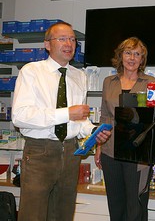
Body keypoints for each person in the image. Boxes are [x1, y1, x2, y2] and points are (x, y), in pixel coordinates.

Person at [12, 21, 111, 221]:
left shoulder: (79, 76)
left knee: (63, 214)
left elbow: (79, 120)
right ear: (47, 44)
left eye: (73, 39)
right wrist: (66, 113)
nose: (69, 44)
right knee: (33, 215)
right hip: (40, 153)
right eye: (62, 38)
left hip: (70, 152)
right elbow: (20, 116)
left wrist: (92, 131)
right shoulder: (31, 71)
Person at [94, 37, 155, 221]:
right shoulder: (109, 82)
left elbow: (154, 118)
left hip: (137, 153)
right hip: (110, 151)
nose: (132, 58)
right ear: (120, 55)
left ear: (142, 59)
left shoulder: (150, 83)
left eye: (137, 54)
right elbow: (105, 116)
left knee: (135, 207)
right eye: (128, 52)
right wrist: (99, 147)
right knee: (116, 206)